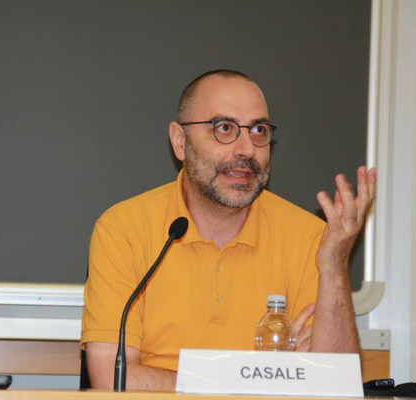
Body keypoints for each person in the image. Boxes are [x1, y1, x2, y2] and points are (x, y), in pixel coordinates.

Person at [81, 69, 377, 390]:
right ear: (180, 141)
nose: (247, 149)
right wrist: (258, 382)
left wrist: (334, 266)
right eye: (224, 128)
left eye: (259, 130)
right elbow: (113, 381)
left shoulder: (309, 236)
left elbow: (337, 384)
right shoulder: (124, 229)